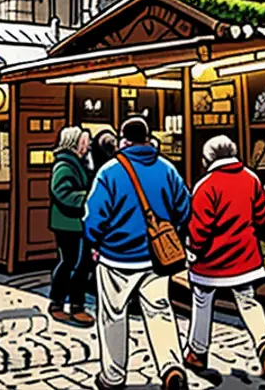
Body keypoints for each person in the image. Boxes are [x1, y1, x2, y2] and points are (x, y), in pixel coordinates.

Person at [84, 117, 191, 390]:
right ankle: (171, 367)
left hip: (115, 257)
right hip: (156, 258)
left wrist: (95, 243)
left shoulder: (109, 172)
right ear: (147, 138)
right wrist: (172, 232)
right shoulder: (167, 168)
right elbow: (184, 207)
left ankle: (114, 375)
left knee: (113, 315)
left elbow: (94, 216)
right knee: (160, 311)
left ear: (123, 139)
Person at [184, 136, 265, 380]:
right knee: (248, 302)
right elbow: (261, 217)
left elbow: (200, 228)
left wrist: (193, 250)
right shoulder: (252, 179)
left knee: (202, 300)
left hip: (211, 262)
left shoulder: (205, 185)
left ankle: (197, 352)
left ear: (208, 158)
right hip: (245, 257)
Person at [48, 126, 94, 326]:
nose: (89, 144)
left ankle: (76, 304)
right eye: (85, 141)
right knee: (70, 263)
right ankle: (59, 303)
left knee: (80, 264)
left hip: (75, 223)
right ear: (75, 143)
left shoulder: (77, 163)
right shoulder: (65, 165)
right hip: (67, 223)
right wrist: (87, 197)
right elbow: (61, 192)